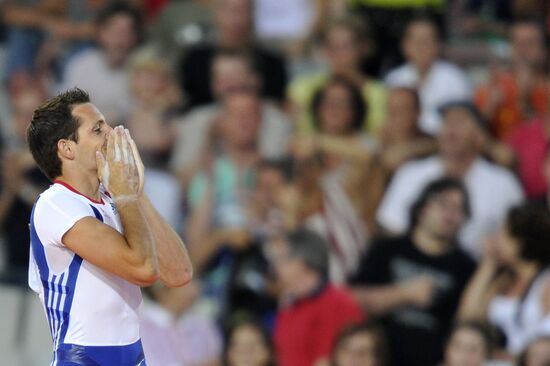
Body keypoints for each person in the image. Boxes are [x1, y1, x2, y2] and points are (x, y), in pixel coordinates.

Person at [26, 88, 193, 365]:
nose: (112, 133)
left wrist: (137, 195)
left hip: (134, 356)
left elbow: (179, 273)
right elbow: (142, 268)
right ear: (67, 148)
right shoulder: (55, 205)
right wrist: (127, 196)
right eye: (98, 129)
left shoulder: (116, 198)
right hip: (82, 358)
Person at [353, 177, 476, 366]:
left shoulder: (466, 266)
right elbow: (352, 299)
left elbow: (467, 324)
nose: (451, 215)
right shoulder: (386, 249)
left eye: (459, 209)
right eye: (444, 204)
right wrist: (404, 294)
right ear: (422, 208)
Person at [377, 100, 524, 258]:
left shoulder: (503, 183)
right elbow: (390, 226)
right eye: (446, 122)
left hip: (476, 272)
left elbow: (518, 240)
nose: (450, 130)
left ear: (480, 136)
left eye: (459, 123)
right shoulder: (410, 173)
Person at [458, 202, 550, 355]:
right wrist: (487, 266)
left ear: (520, 242)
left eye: (502, 234)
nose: (495, 239)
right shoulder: (503, 280)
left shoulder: (545, 282)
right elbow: (466, 321)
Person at [270, 228, 364, 366]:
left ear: (301, 263)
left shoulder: (339, 304)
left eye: (281, 259)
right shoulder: (290, 303)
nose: (275, 267)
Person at [385, 16, 472, 135]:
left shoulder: (455, 78)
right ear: (405, 46)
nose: (421, 47)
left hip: (443, 142)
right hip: (405, 141)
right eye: (416, 41)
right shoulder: (394, 78)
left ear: (438, 45)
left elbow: (462, 122)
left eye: (427, 41)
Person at [60, 2, 144, 124]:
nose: (119, 38)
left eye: (126, 31)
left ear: (135, 37)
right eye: (114, 31)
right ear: (101, 33)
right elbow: (69, 109)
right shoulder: (81, 64)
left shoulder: (142, 69)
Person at [474, 19, 548, 140]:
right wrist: (490, 108)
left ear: (543, 51)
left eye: (529, 44)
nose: (522, 51)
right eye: (517, 44)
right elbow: (470, 133)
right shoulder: (494, 86)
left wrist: (525, 100)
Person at [140, 281, 223, 366]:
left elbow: (216, 360)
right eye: (185, 284)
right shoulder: (141, 327)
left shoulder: (203, 324)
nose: (194, 289)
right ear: (162, 290)